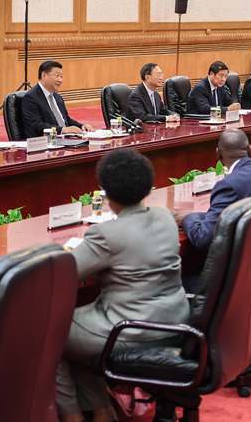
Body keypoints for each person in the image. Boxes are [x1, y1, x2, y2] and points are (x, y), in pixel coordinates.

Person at [56, 149, 188, 422]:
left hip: (130, 330)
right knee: (75, 332)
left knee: (49, 332)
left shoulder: (106, 234)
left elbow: (66, 273)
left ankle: (72, 416)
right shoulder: (165, 217)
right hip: (177, 323)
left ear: (107, 193)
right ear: (147, 187)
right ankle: (102, 411)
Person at [176, 129, 251, 289]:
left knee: (178, 287)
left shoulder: (228, 185)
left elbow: (203, 238)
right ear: (250, 149)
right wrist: (197, 216)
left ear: (218, 154)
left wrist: (186, 219)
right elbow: (232, 216)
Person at [22, 60, 95, 138]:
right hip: (47, 141)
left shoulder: (57, 97)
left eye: (61, 76)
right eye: (57, 76)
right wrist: (63, 130)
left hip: (64, 139)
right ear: (44, 75)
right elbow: (36, 125)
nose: (60, 80)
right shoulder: (31, 97)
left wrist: (81, 126)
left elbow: (66, 120)